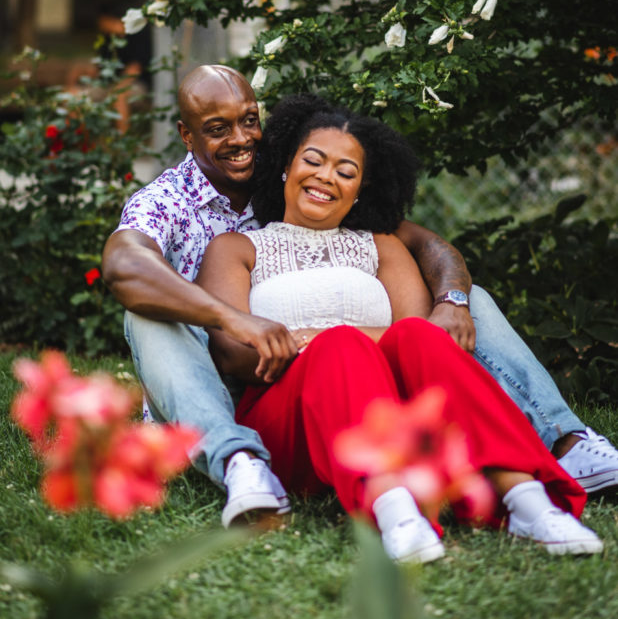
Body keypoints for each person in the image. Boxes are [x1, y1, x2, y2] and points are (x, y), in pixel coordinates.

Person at [101, 64, 618, 527]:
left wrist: (451, 302)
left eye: (249, 120)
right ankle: (240, 464)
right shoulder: (168, 202)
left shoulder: (296, 171)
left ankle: (565, 442)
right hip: (223, 373)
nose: (241, 139)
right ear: (187, 136)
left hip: (337, 367)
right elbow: (123, 266)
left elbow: (426, 244)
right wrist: (231, 319)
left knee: (466, 298)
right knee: (149, 315)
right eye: (218, 129)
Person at [194, 94, 602, 560]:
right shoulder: (237, 248)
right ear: (286, 166)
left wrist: (317, 339)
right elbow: (234, 353)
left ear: (360, 189)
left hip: (391, 413)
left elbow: (418, 339)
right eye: (314, 161)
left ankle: (526, 501)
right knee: (343, 345)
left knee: (415, 337)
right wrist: (335, 345)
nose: (326, 177)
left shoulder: (381, 246)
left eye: (346, 172)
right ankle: (395, 513)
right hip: (292, 420)